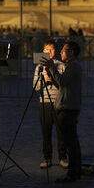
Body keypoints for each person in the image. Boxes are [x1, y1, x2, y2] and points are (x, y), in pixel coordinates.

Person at [41, 40, 82, 183]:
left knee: (71, 142)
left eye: (63, 51)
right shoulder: (72, 65)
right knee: (72, 141)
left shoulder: (73, 66)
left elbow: (62, 82)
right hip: (67, 105)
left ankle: (73, 171)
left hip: (68, 107)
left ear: (71, 52)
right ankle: (75, 170)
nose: (60, 53)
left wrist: (51, 67)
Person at [33, 40, 66, 169]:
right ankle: (47, 158)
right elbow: (35, 87)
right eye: (46, 50)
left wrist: (53, 79)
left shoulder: (61, 66)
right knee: (46, 132)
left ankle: (63, 157)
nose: (48, 53)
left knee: (61, 131)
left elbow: (63, 85)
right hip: (44, 102)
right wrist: (45, 82)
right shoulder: (39, 67)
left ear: (56, 52)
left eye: (51, 50)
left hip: (58, 102)